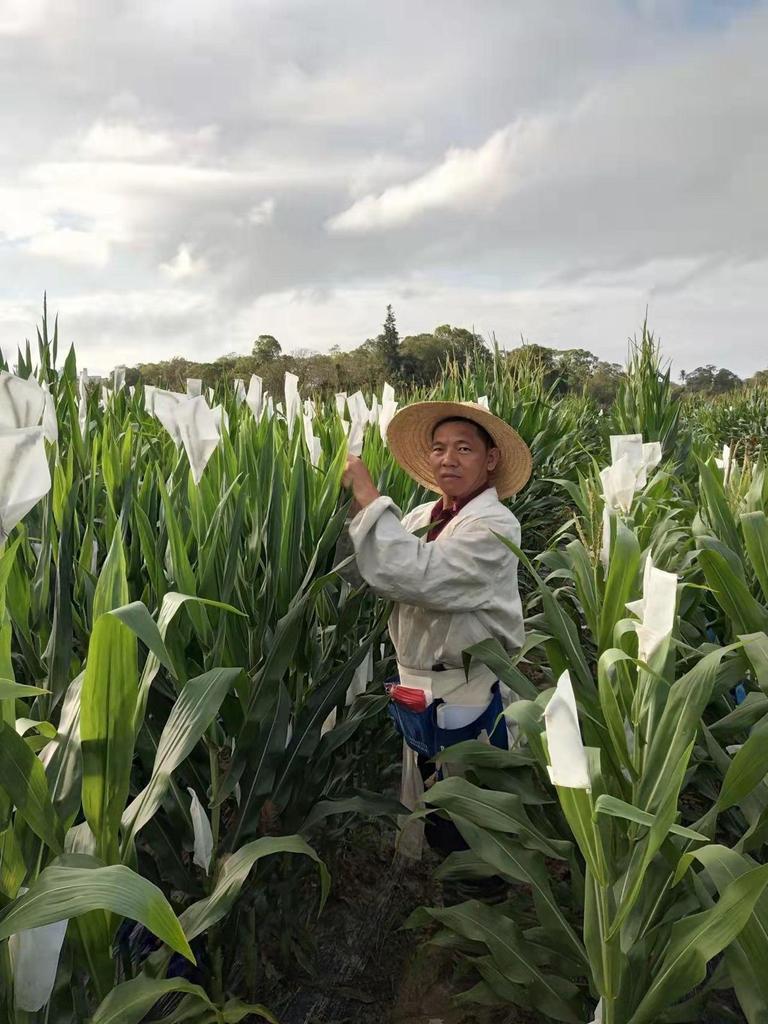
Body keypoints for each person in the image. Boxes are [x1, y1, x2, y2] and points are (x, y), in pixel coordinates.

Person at [341, 400, 531, 857]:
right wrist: (348, 515)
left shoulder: (494, 526)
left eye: (464, 448)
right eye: (439, 448)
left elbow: (420, 574)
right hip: (420, 690)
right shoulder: (421, 518)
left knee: (471, 822)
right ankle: (452, 893)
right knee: (433, 802)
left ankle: (482, 907)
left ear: (490, 460)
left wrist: (371, 500)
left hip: (469, 692)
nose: (448, 458)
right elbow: (367, 569)